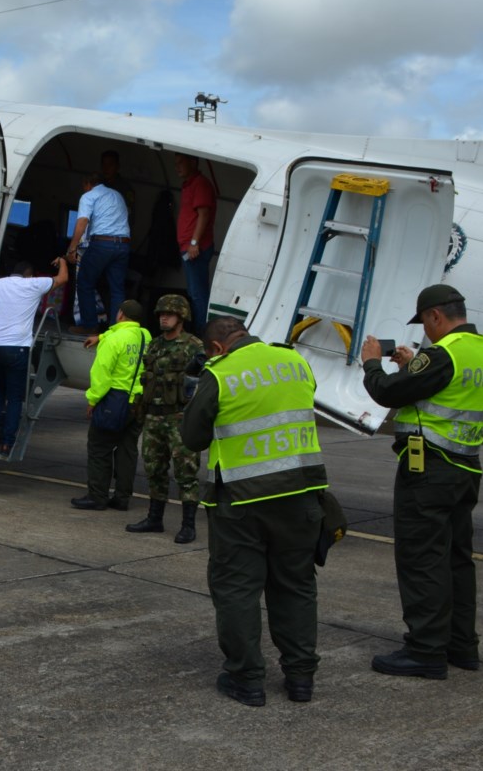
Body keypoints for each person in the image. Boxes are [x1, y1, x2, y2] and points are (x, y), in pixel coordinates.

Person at [181, 316, 328, 707]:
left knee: (237, 590)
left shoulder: (221, 373)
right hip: (300, 494)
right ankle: (300, 679)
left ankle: (247, 679)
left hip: (243, 501)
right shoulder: (295, 362)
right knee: (295, 586)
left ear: (215, 348)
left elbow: (192, 437)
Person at [360, 283, 483, 679]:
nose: (425, 332)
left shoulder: (443, 354)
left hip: (429, 471)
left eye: (425, 323)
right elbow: (445, 396)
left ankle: (425, 650)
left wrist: (373, 362)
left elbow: (386, 392)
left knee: (423, 559)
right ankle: (462, 646)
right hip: (465, 468)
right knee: (457, 560)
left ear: (436, 316)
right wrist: (413, 366)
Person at [125, 293, 206, 541]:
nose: (164, 318)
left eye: (169, 314)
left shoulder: (194, 346)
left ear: (181, 317)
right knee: (154, 469)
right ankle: (154, 519)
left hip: (179, 418)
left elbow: (203, 384)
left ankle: (188, 525)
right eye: (161, 314)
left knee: (186, 473)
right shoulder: (156, 344)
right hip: (154, 418)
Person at [0, 257, 69, 455]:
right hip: (17, 347)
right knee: (15, 397)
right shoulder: (34, 284)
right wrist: (62, 261)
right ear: (29, 275)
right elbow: (63, 278)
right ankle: (7, 442)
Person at [72, 301, 152, 510]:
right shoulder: (145, 336)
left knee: (100, 447)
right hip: (139, 401)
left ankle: (97, 496)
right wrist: (102, 336)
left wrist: (93, 400)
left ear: (120, 315)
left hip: (115, 399)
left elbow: (101, 375)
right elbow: (124, 337)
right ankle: (122, 498)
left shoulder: (114, 340)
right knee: (127, 450)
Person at [66, 171, 131, 334]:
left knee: (84, 282)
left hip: (102, 243)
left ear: (88, 184)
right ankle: (115, 330)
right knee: (117, 289)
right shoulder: (117, 195)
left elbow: (82, 221)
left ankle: (90, 326)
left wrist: (72, 247)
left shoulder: (89, 196)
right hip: (123, 245)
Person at [175, 153, 217, 333]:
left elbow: (204, 214)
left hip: (196, 249)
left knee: (198, 295)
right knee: (194, 294)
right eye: (176, 163)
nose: (177, 167)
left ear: (193, 162)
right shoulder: (190, 184)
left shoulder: (200, 183)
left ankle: (202, 337)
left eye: (181, 163)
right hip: (188, 248)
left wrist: (194, 242)